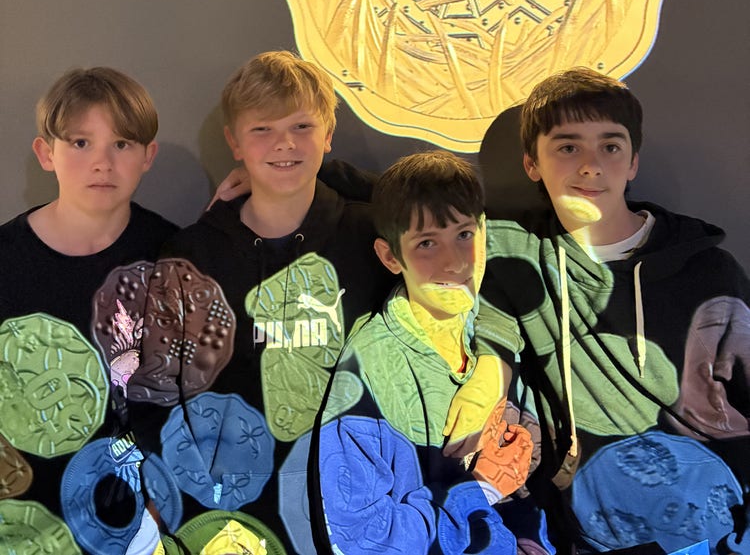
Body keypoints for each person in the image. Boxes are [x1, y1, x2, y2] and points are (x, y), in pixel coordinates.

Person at [127, 51, 399, 554]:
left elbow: (441, 219)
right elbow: (157, 386)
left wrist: (336, 177)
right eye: (262, 131)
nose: (284, 144)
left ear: (329, 134)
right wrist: (161, 480)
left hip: (363, 501)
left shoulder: (373, 235)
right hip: (235, 510)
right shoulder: (193, 254)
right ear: (233, 141)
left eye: (302, 126)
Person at [481, 68, 750, 554]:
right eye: (567, 147)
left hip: (716, 535)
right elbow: (412, 208)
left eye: (610, 146)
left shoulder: (710, 273)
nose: (591, 166)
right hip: (588, 537)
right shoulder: (509, 255)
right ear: (531, 164)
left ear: (632, 163)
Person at [315, 151, 534, 554]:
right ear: (389, 256)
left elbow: (522, 485)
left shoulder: (495, 334)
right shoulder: (368, 372)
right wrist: (478, 491)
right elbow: (361, 537)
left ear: (485, 233)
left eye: (464, 235)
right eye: (427, 243)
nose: (454, 261)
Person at [0, 67, 178, 554]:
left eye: (121, 144)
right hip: (22, 526)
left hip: (136, 524)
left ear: (148, 156)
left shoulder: (175, 258)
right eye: (80, 143)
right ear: (45, 153)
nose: (102, 162)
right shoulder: (5, 260)